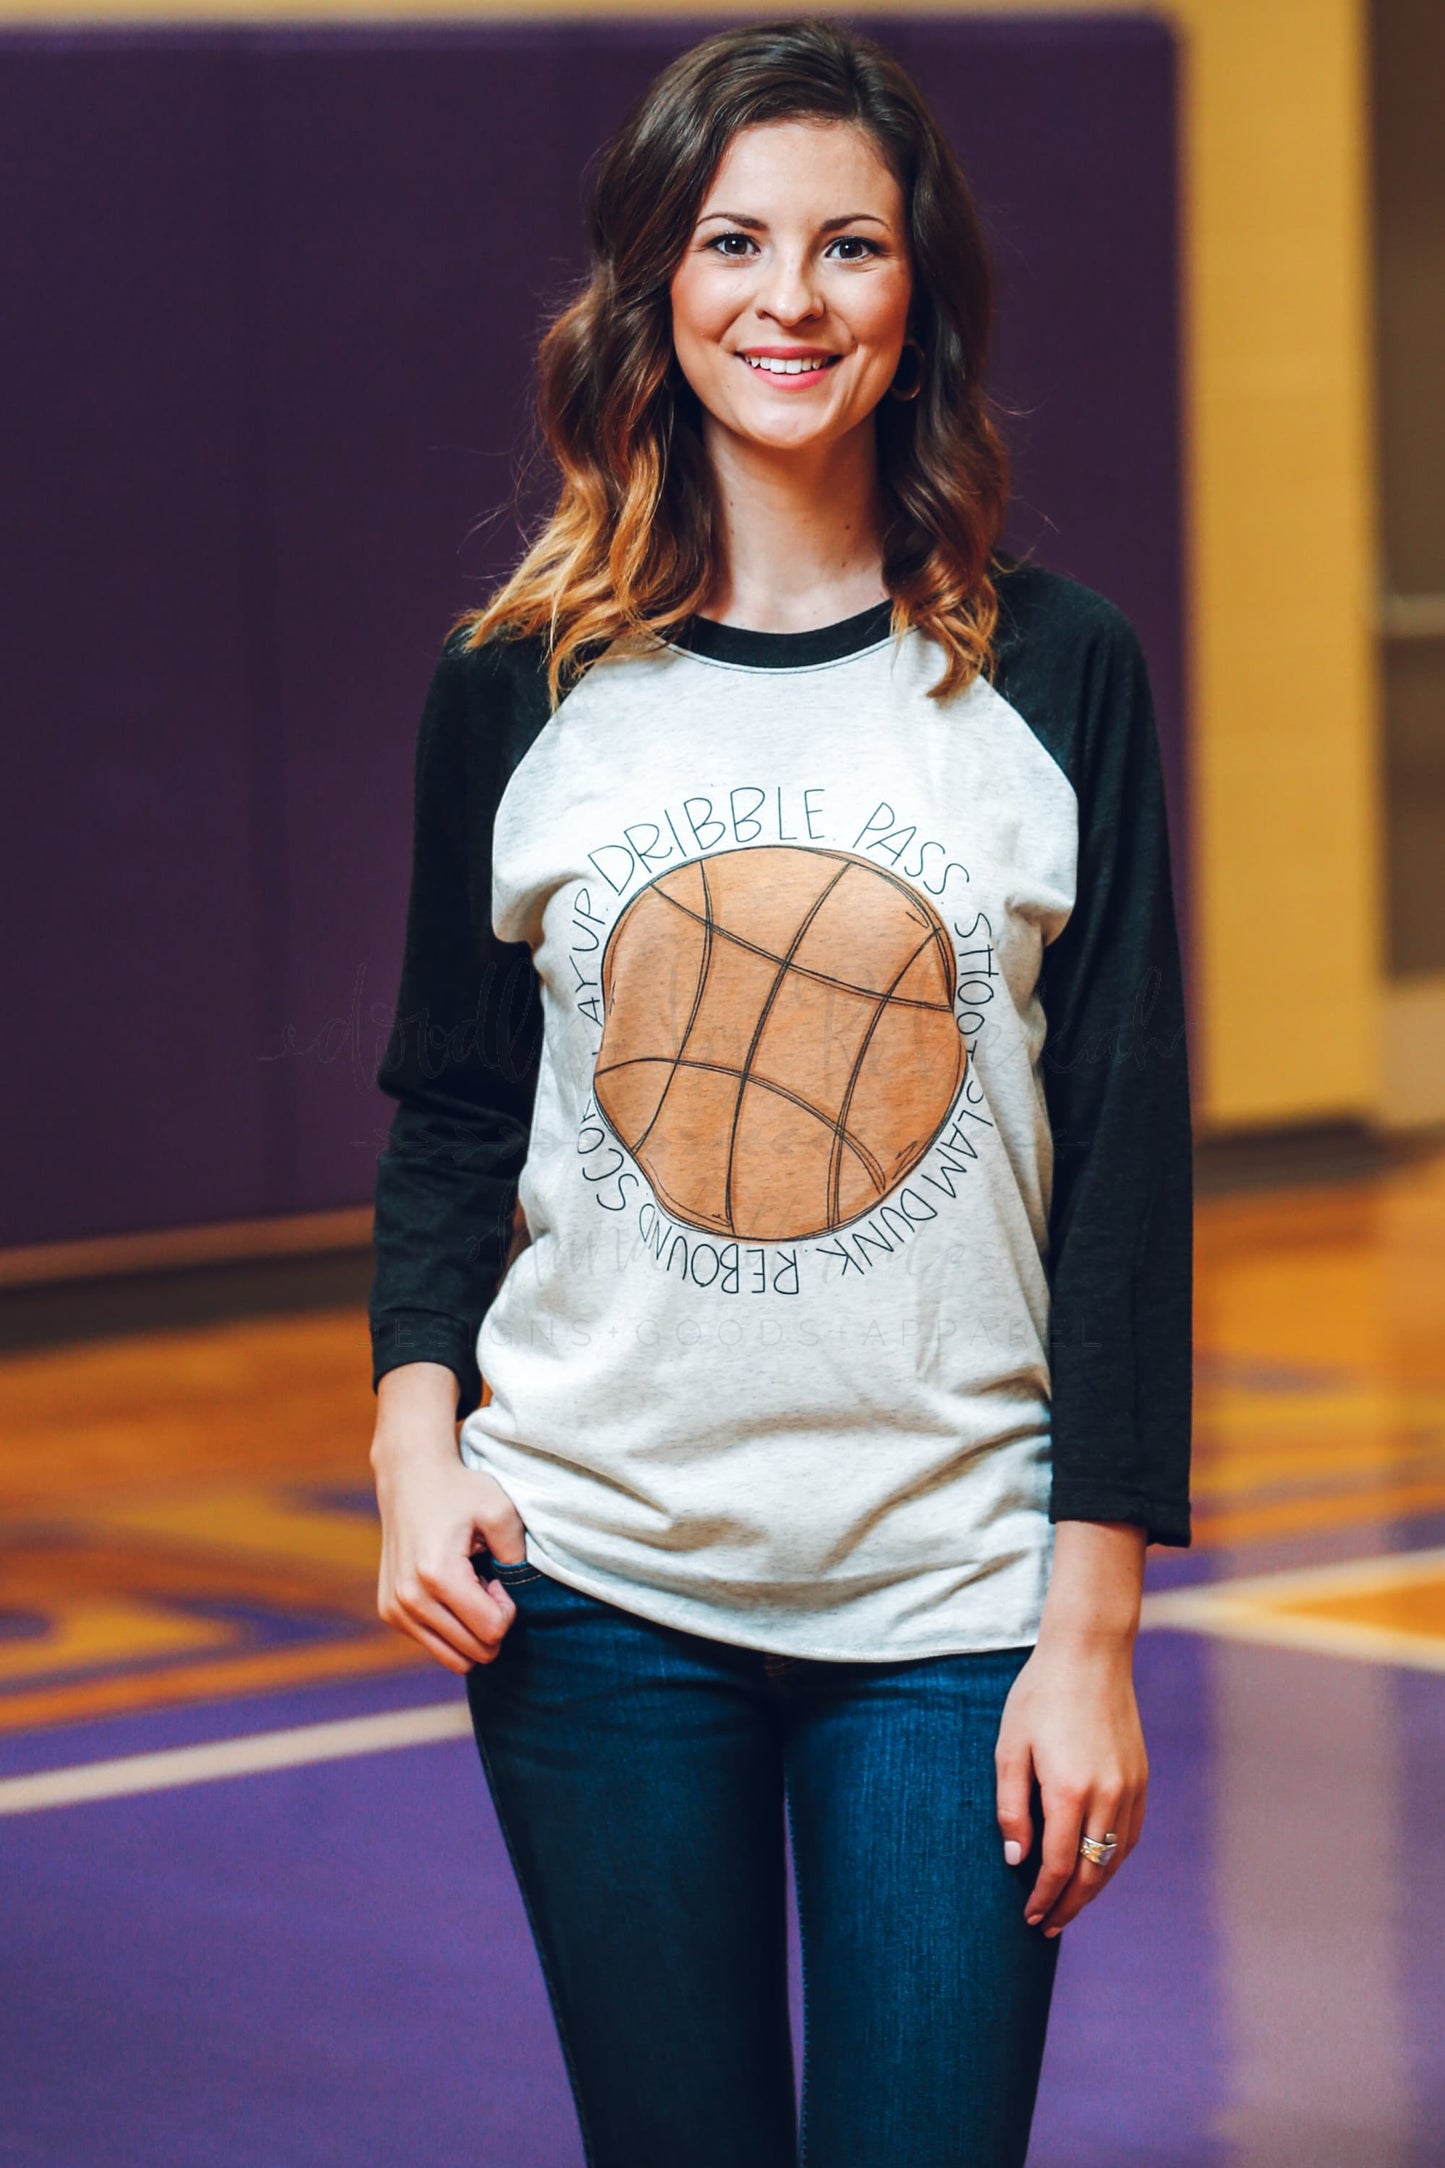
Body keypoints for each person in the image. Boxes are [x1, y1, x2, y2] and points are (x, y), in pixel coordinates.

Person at [366, 18, 1192, 2167]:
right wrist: (408, 1443)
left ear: (918, 298)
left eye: (849, 246)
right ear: (655, 283)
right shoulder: (519, 685)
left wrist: (1088, 1631)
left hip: (949, 1606)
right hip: (601, 1591)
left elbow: (1119, 1170)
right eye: (733, 242)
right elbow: (453, 1109)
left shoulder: (1052, 669)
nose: (790, 298)